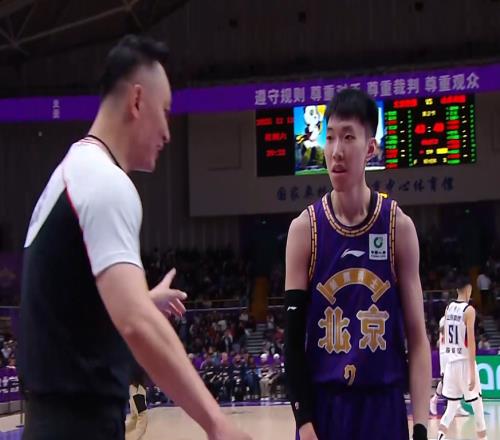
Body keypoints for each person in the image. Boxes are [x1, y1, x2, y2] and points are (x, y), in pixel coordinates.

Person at [18, 34, 251, 440]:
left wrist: (142, 299)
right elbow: (136, 325)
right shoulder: (105, 182)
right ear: (137, 101)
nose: (168, 133)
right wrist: (216, 423)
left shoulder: (74, 172)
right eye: (165, 112)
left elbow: (69, 306)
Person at [284, 88, 431, 440]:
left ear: (370, 148)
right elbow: (292, 342)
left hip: (383, 408)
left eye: (348, 137)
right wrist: (304, 422)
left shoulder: (398, 227)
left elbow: (417, 339)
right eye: (330, 137)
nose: (336, 150)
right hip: (325, 409)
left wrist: (421, 427)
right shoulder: (305, 229)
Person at [437, 277, 488, 440]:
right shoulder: (469, 310)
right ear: (467, 289)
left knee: (451, 409)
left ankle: (439, 437)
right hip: (464, 363)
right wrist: (472, 372)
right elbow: (471, 343)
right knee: (478, 407)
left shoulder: (448, 308)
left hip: (451, 364)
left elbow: (445, 338)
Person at [429, 314, 469, 417]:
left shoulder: (458, 319)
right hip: (445, 353)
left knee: (456, 377)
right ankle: (434, 399)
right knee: (445, 379)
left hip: (454, 352)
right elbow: (442, 330)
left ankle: (457, 406)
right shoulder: (444, 319)